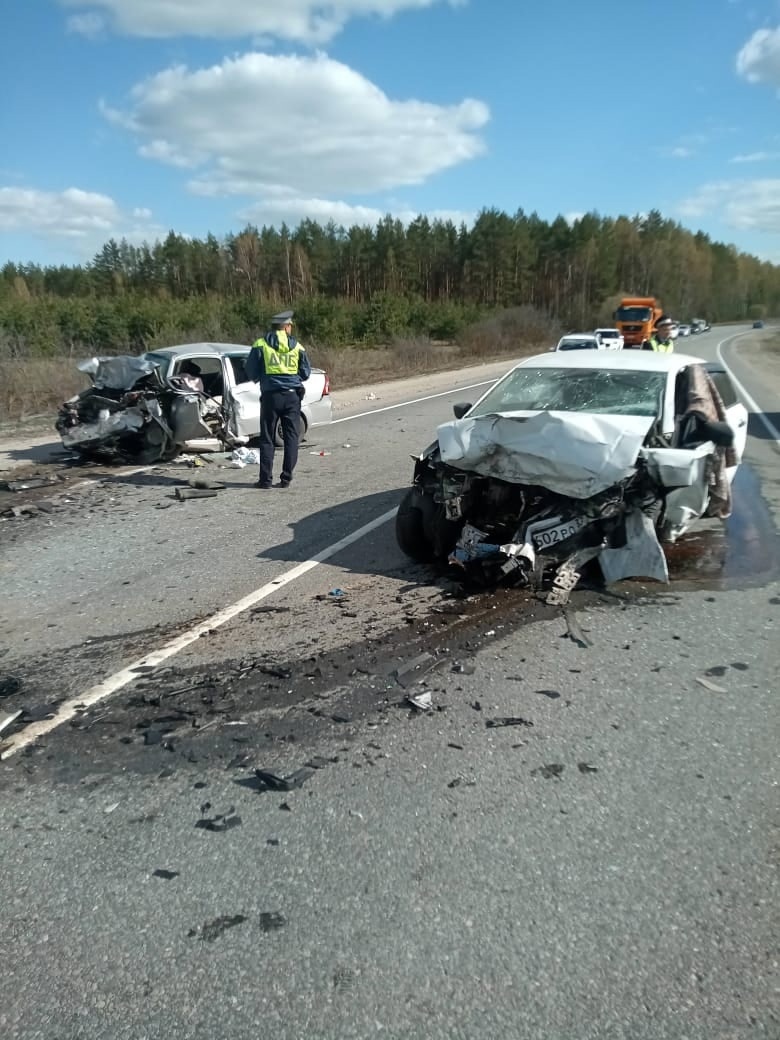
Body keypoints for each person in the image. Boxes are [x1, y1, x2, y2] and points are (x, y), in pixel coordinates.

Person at [247, 310, 311, 489]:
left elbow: (251, 371)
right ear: (286, 327)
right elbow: (305, 373)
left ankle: (265, 480)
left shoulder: (260, 344)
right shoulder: (298, 346)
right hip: (292, 396)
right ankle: (286, 478)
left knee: (267, 438)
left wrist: (264, 378)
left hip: (270, 397)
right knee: (291, 437)